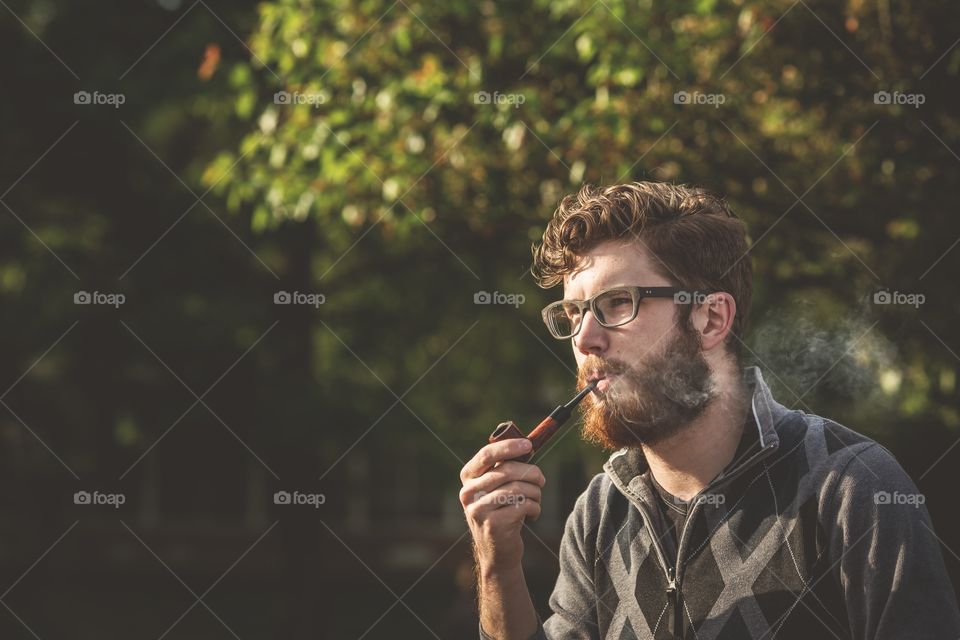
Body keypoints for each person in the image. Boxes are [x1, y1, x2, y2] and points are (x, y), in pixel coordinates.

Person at [459, 181, 960, 639]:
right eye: (573, 313)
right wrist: (497, 566)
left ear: (711, 317)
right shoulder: (599, 513)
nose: (585, 338)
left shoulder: (850, 488)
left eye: (618, 303)